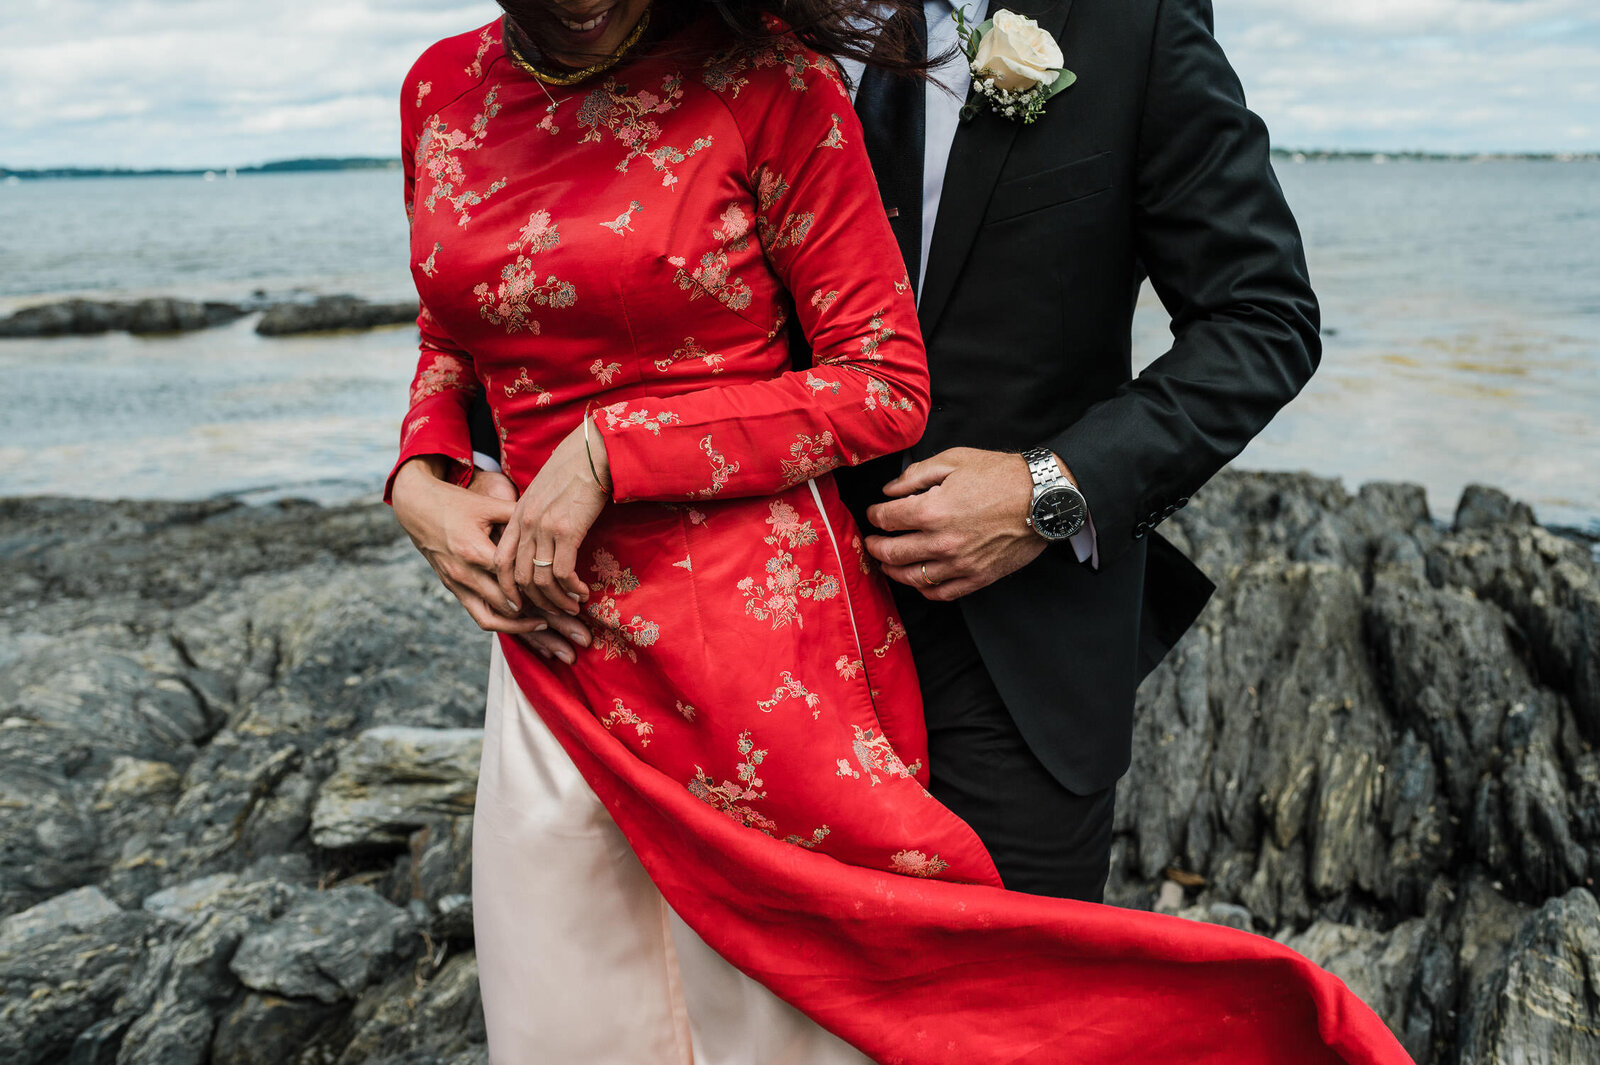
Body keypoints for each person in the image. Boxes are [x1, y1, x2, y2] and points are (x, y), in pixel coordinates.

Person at [388, 1, 1409, 1062]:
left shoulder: (1126, 21)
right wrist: (420, 471)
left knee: (998, 1031)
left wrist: (1046, 490)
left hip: (1006, 639)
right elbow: (530, 302)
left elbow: (1261, 318)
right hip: (718, 654)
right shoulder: (706, 18)